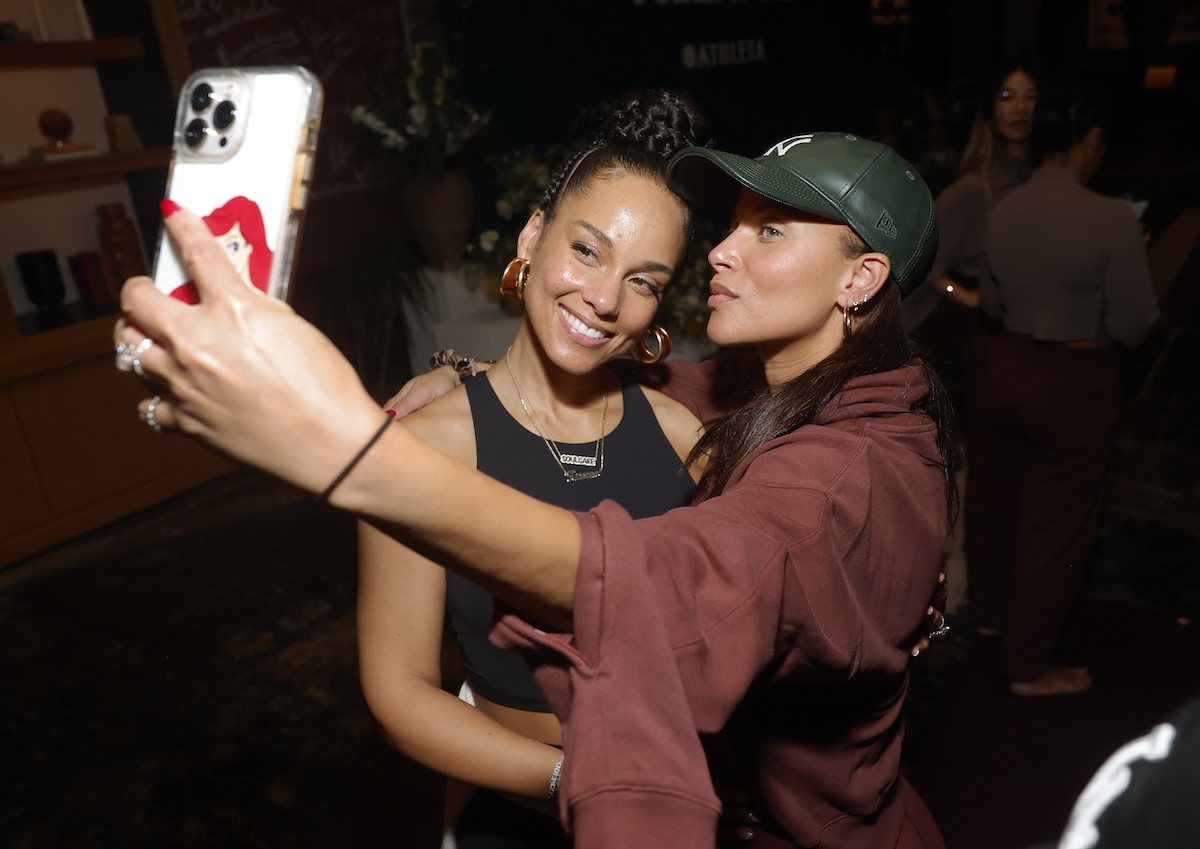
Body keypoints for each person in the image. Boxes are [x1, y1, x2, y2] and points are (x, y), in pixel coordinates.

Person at [114, 130, 956, 849]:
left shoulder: (828, 473)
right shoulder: (736, 399)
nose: (723, 253)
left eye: (768, 232)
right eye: (732, 226)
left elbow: (674, 589)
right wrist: (474, 381)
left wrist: (343, 448)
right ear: (531, 238)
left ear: (859, 280)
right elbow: (639, 379)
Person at [357, 90, 708, 848]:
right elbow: (398, 690)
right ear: (533, 236)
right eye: (587, 249)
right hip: (513, 812)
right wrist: (571, 781)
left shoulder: (684, 438)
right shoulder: (423, 445)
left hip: (676, 798)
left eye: (644, 280)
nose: (605, 297)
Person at [963, 80, 1160, 696]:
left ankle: (993, 620)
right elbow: (1134, 324)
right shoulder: (1110, 217)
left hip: (1002, 369)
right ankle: (1027, 665)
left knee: (994, 503)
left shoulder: (1005, 207)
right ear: (1092, 140)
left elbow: (992, 303)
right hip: (1073, 381)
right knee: (1058, 525)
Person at [900, 56, 1042, 418]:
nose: (1021, 107)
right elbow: (919, 257)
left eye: (1031, 96)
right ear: (990, 109)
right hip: (988, 338)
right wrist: (966, 296)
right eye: (1008, 96)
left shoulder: (1043, 177)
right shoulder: (974, 189)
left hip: (1036, 331)